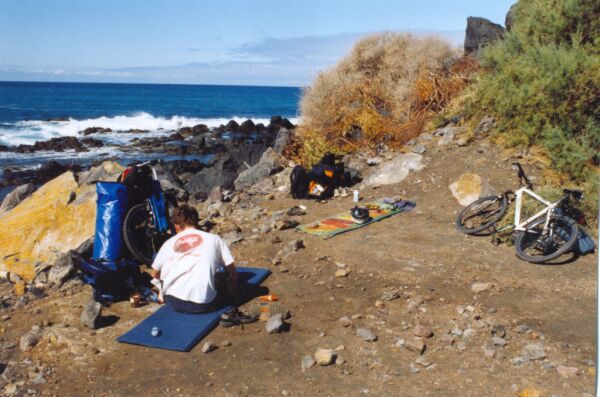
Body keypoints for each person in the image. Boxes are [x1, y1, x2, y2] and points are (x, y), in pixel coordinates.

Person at [150, 205, 251, 323]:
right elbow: (232, 273)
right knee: (221, 277)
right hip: (203, 305)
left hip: (173, 302)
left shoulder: (168, 243)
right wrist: (230, 290)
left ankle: (163, 295)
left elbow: (154, 273)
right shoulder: (215, 239)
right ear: (196, 222)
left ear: (177, 227)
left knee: (164, 276)